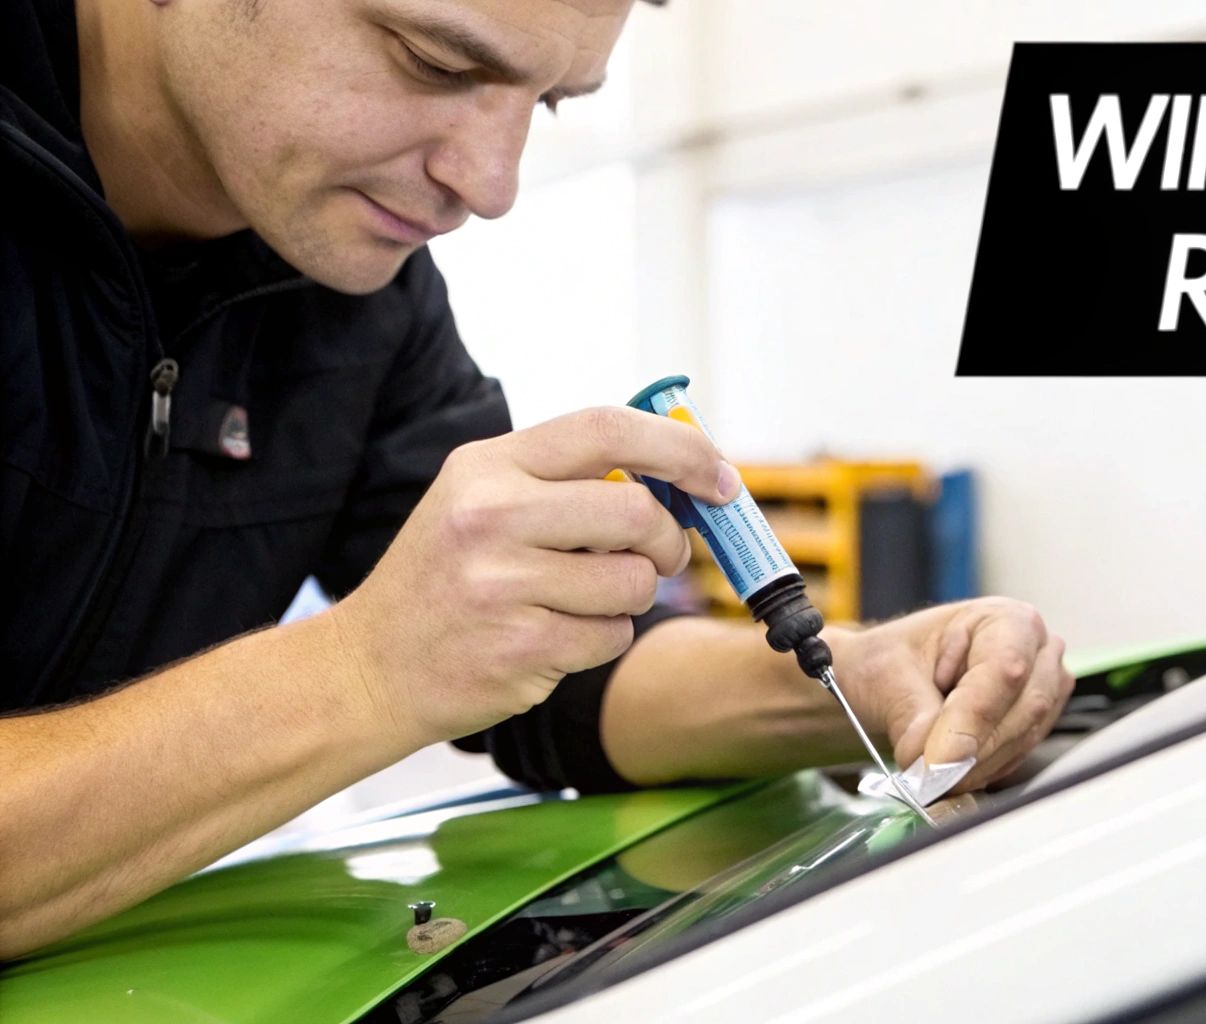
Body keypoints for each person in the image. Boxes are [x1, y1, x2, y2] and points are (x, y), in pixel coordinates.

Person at [0, 0, 1073, 959]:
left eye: (549, 102)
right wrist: (366, 674)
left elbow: (558, 688)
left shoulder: (358, 295)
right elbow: (402, 663)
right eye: (431, 61)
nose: (492, 186)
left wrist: (864, 677)